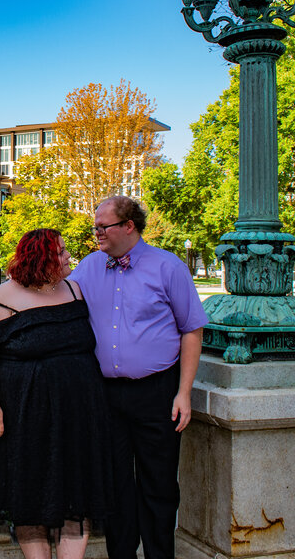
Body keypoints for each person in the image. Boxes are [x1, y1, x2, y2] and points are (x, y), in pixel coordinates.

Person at [67, 196, 209, 559]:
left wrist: (183, 393)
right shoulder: (88, 267)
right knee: (113, 486)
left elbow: (192, 329)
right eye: (95, 226)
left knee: (159, 485)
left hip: (157, 393)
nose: (96, 233)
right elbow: (56, 300)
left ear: (129, 226)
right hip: (105, 396)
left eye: (103, 227)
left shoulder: (168, 267)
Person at [0, 228, 112, 559]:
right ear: (41, 258)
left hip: (79, 413)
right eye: (60, 252)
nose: (67, 257)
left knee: (78, 493)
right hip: (25, 414)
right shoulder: (4, 297)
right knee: (30, 493)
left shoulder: (74, 290)